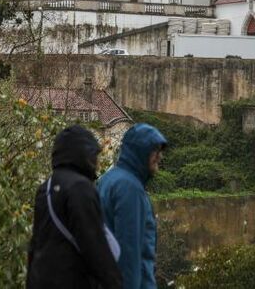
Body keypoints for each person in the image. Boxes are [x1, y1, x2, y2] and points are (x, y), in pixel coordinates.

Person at [27, 124, 122, 289]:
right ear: (84, 155)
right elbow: (94, 246)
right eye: (94, 155)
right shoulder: (80, 187)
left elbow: (35, 246)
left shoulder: (45, 188)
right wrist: (115, 283)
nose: (98, 162)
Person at [98, 123, 167, 289]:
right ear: (140, 152)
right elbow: (128, 254)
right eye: (155, 151)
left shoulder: (108, 179)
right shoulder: (129, 188)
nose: (160, 157)